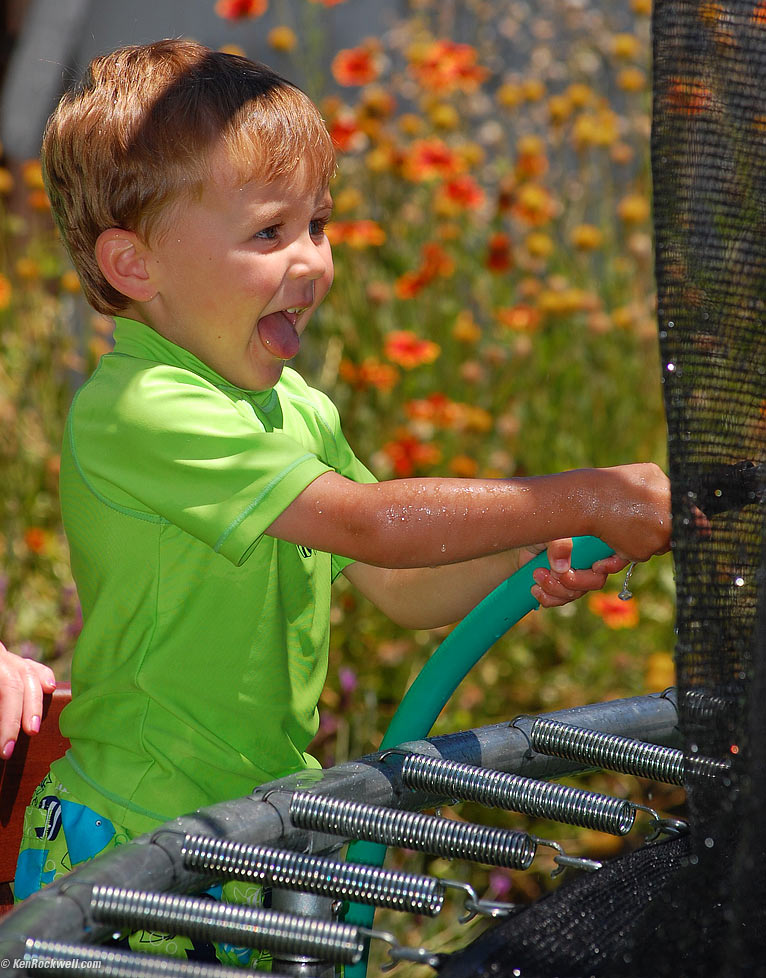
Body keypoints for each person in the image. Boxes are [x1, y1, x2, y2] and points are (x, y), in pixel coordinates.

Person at [6, 38, 670, 963]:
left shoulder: (295, 408)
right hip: (131, 840)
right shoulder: (143, 409)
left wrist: (527, 554)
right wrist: (582, 497)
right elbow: (374, 527)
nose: (312, 262)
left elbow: (395, 585)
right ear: (135, 264)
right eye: (268, 234)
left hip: (252, 831)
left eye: (317, 224)